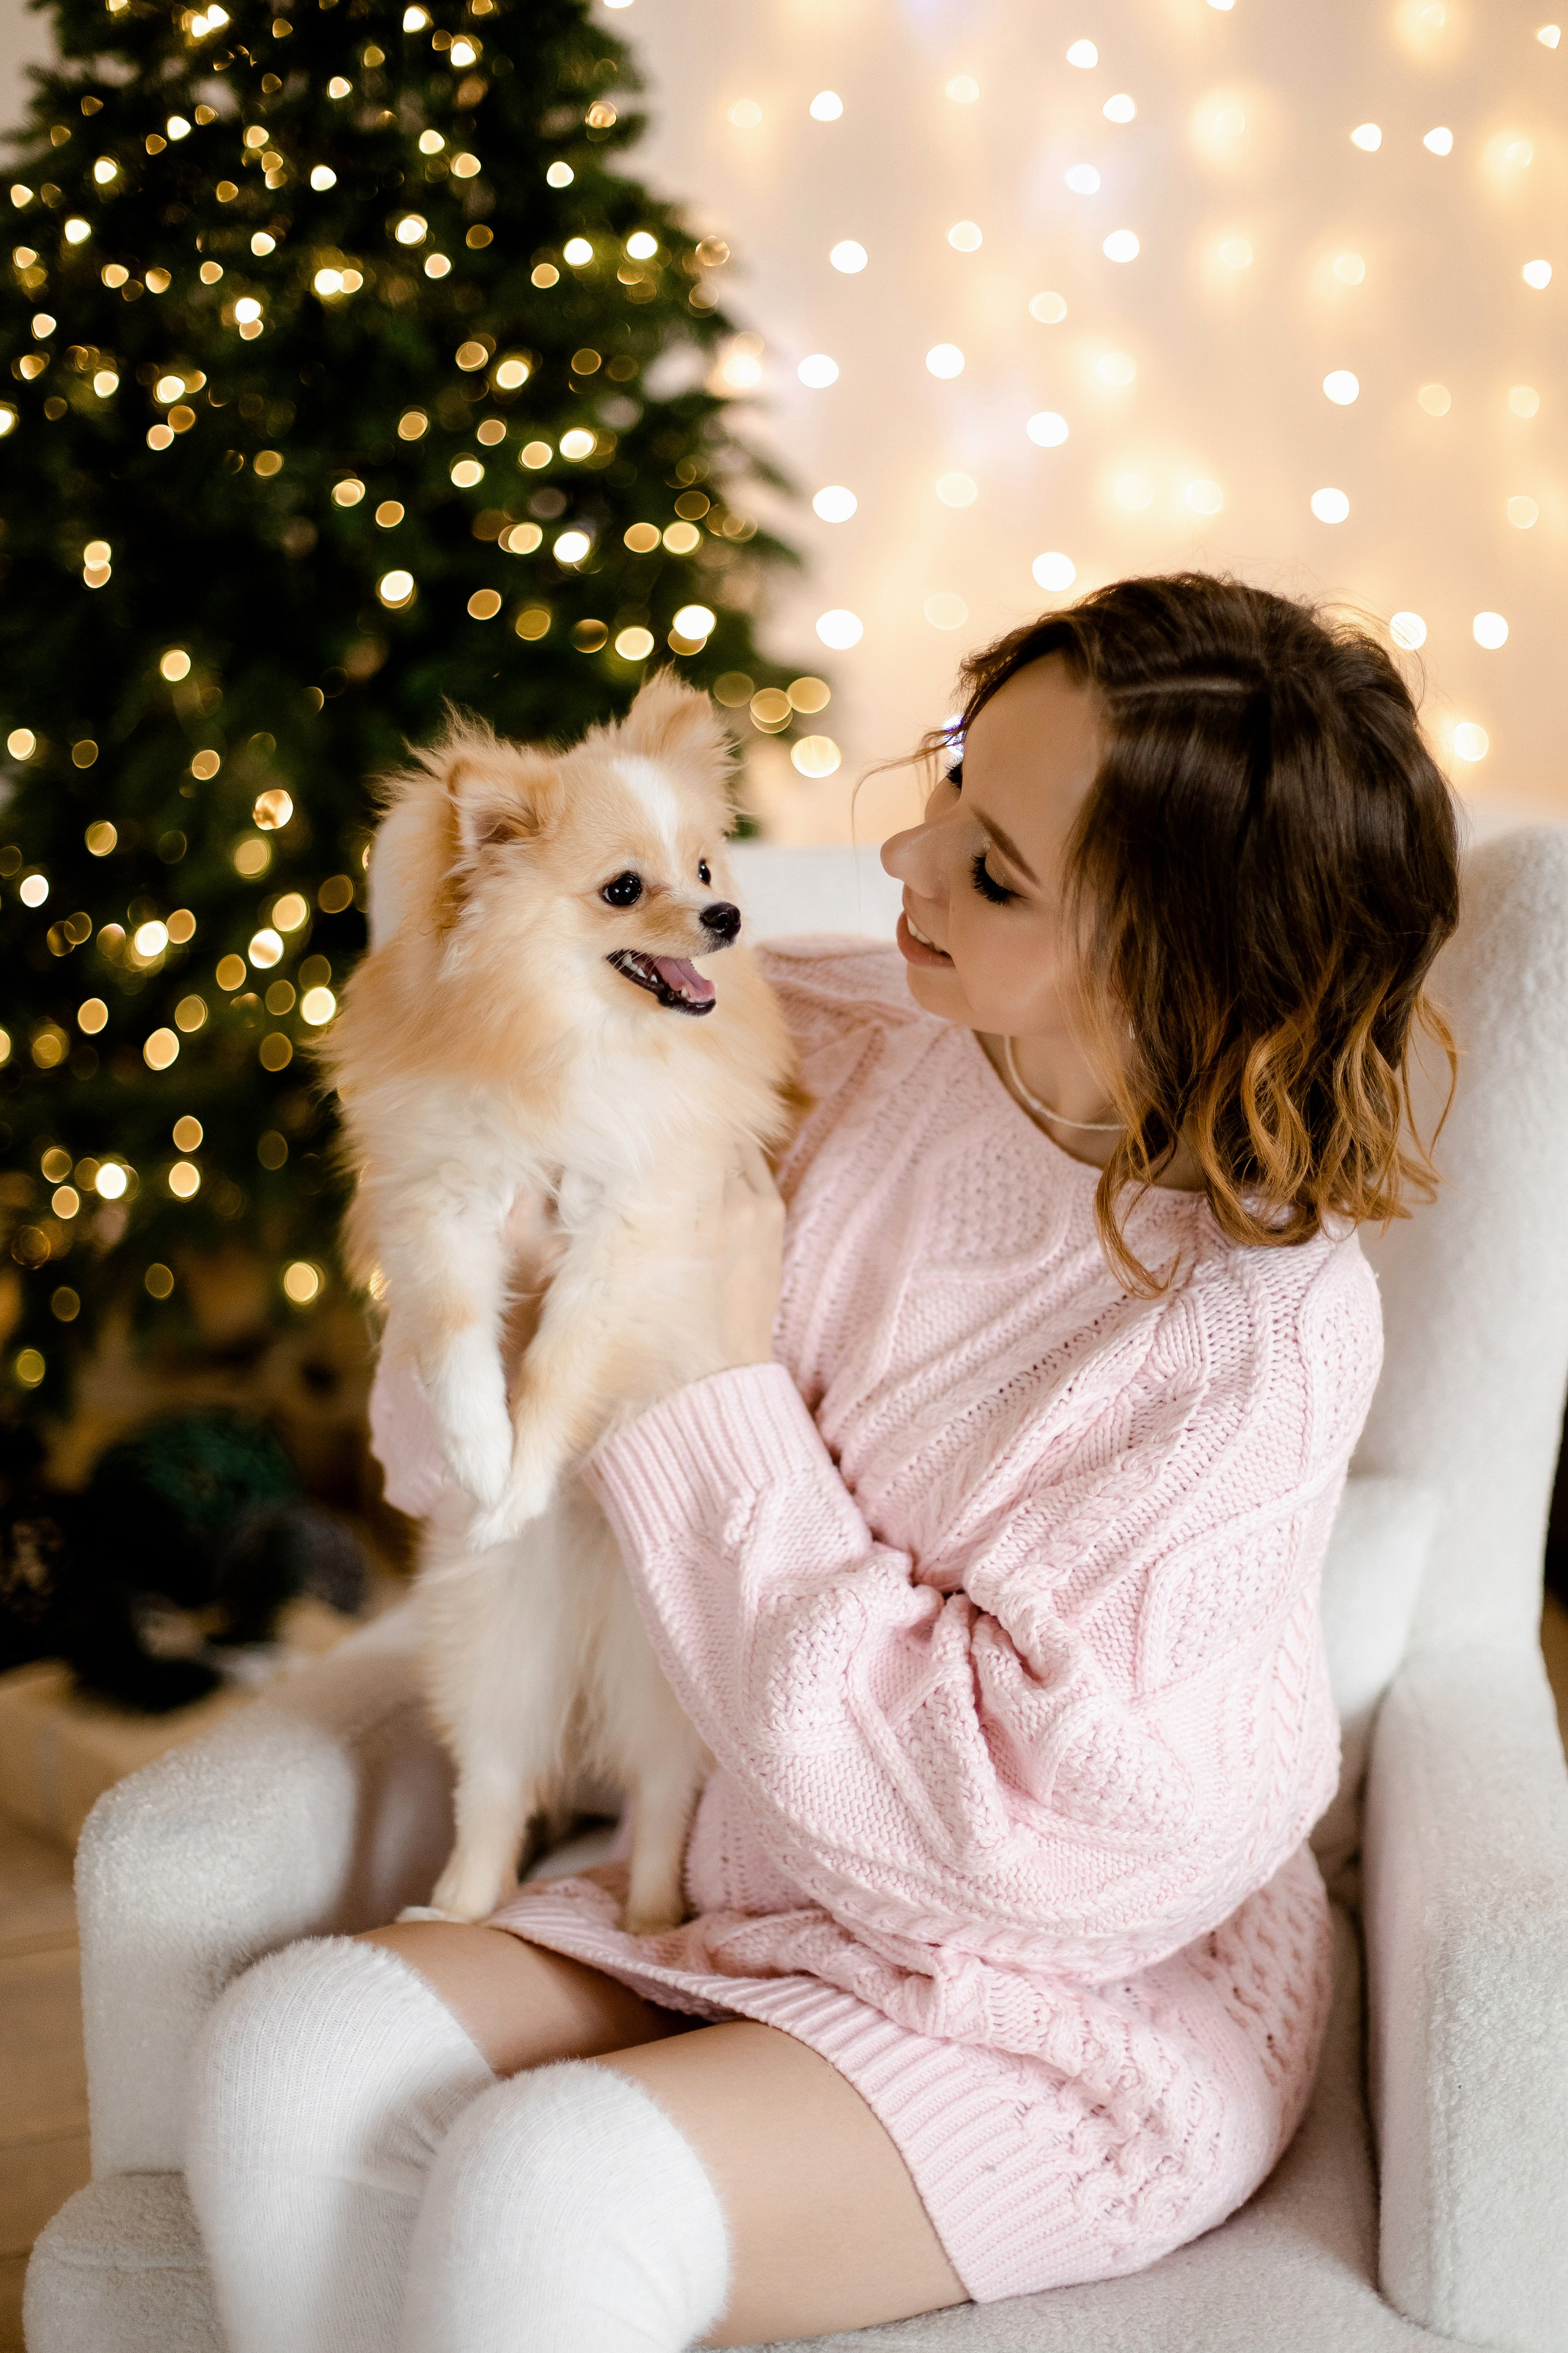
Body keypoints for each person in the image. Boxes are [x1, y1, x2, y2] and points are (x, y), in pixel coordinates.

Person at [186, 575, 1461, 2353]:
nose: (906, 865)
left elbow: (1010, 1844)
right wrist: (482, 1293)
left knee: (553, 2188)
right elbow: (451, 1468)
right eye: (951, 780)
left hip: (1044, 1986)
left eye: (995, 869)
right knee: (283, 2056)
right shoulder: (806, 1038)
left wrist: (702, 1383)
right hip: (728, 1883)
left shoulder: (1249, 1328)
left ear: (1180, 960)